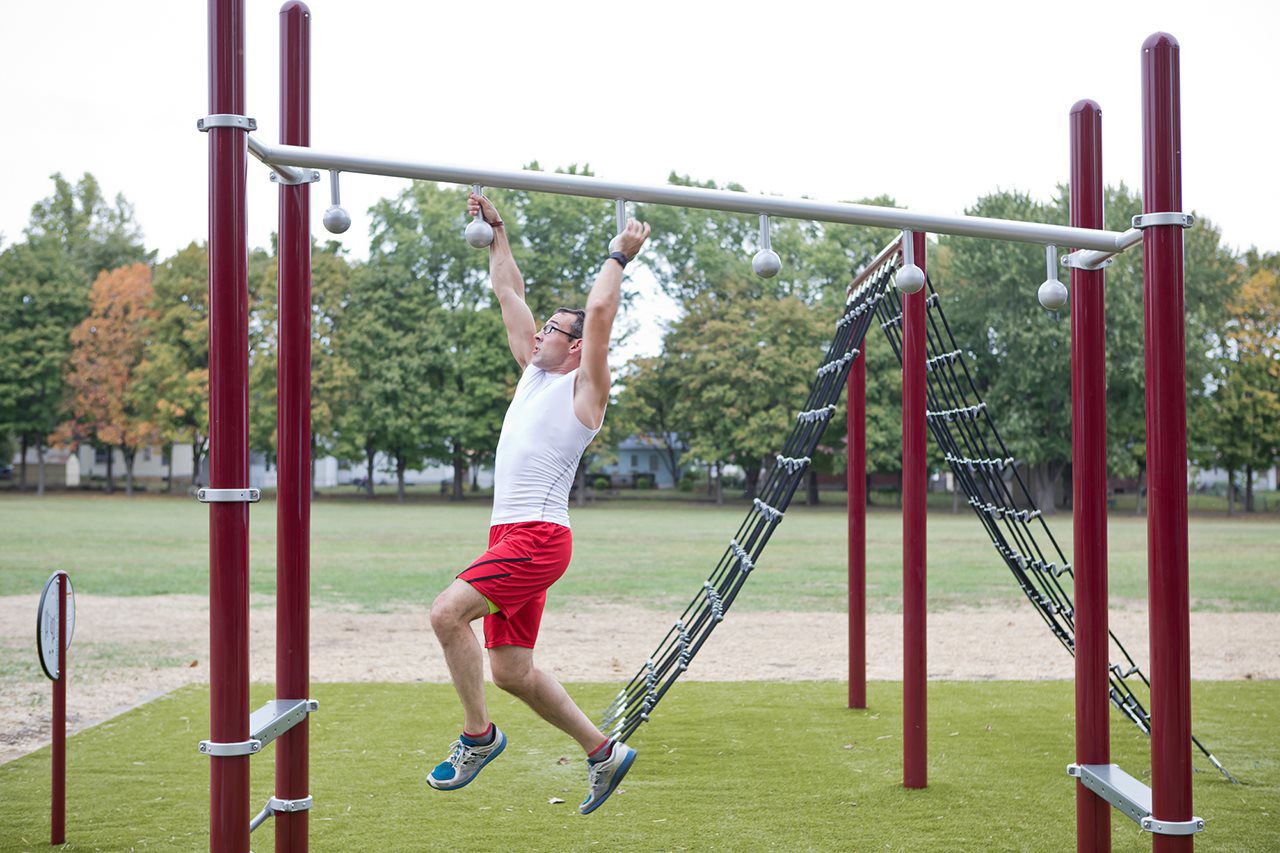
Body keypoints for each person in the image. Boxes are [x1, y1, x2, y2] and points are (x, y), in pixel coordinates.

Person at [426, 191, 650, 815]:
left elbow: (601, 308)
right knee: (512, 672)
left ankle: (479, 737)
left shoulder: (585, 392)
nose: (540, 332)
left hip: (539, 538)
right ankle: (603, 751)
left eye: (554, 329)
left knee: (447, 615)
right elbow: (509, 292)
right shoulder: (533, 373)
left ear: (577, 347)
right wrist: (497, 232)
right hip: (509, 539)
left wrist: (620, 255)